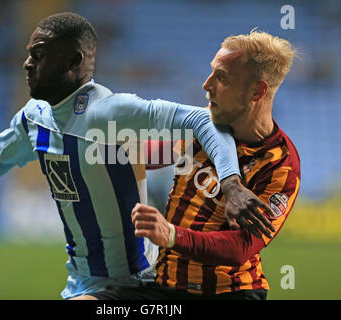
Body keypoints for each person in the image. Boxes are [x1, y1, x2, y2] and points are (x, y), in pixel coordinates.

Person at [0, 13, 274, 299]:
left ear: (73, 62)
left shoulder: (109, 113)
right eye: (29, 54)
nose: (27, 64)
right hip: (81, 282)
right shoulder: (34, 117)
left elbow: (203, 120)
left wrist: (231, 183)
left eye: (38, 55)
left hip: (133, 284)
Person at [85, 30, 301, 300]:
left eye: (221, 77)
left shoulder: (280, 165)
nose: (206, 84)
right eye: (211, 72)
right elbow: (147, 155)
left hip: (228, 292)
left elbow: (241, 248)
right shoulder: (202, 127)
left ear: (257, 91)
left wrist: (172, 235)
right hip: (163, 285)